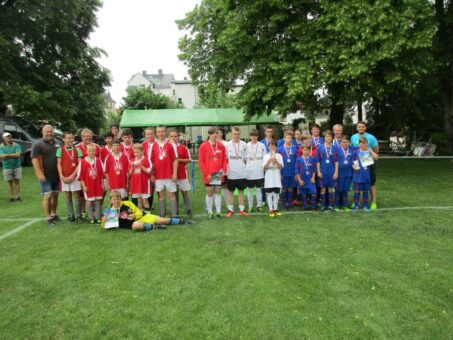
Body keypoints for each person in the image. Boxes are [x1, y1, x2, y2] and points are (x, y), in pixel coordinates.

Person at [101, 191, 194, 231]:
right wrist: (104, 219)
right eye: (114, 199)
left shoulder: (127, 203)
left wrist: (134, 216)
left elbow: (139, 212)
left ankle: (183, 221)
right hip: (134, 224)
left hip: (143, 217)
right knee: (136, 226)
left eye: (118, 199)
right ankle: (155, 227)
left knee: (163, 220)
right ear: (110, 200)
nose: (117, 201)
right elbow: (106, 226)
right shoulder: (110, 211)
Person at [31, 125, 61, 225]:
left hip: (56, 175)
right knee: (47, 196)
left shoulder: (58, 143)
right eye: (47, 132)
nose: (49, 134)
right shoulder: (37, 144)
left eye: (51, 132)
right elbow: (34, 159)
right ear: (42, 132)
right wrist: (39, 173)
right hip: (45, 175)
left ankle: (53, 214)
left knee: (55, 195)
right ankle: (48, 217)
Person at [198, 127, 227, 219]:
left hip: (218, 173)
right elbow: (201, 161)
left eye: (217, 133)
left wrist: (224, 171)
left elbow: (224, 160)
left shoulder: (221, 146)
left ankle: (218, 211)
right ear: (209, 134)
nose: (216, 135)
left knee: (218, 192)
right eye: (214, 133)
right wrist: (207, 174)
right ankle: (210, 212)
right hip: (209, 174)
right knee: (210, 192)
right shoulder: (203, 145)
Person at [150, 125, 178, 217]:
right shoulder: (153, 145)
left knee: (172, 195)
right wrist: (152, 175)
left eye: (162, 131)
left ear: (165, 132)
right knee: (161, 197)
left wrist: (174, 173)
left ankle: (174, 216)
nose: (160, 133)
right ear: (156, 133)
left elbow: (175, 160)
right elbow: (151, 162)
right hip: (158, 176)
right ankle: (162, 216)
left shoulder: (171, 144)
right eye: (158, 132)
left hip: (169, 175)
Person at [351, 121, 379, 210]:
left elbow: (376, 151)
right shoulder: (353, 137)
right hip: (358, 164)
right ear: (357, 127)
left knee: (371, 183)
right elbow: (352, 152)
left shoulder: (371, 137)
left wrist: (369, 150)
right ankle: (356, 203)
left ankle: (373, 203)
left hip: (368, 164)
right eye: (359, 127)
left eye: (362, 127)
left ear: (365, 128)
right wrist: (355, 164)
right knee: (357, 185)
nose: (361, 128)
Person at [56, 132, 83, 221]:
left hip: (74, 177)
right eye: (68, 138)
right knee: (67, 196)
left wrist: (73, 175)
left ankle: (79, 215)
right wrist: (61, 176)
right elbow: (59, 164)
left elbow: (79, 164)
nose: (71, 140)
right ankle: (70, 215)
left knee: (76, 196)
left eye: (72, 138)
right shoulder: (60, 150)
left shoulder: (77, 150)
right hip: (64, 176)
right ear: (63, 139)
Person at [225, 126, 250, 217]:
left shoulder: (244, 144)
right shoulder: (227, 145)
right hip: (231, 173)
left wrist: (243, 167)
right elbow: (225, 159)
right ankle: (230, 210)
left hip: (241, 173)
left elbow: (245, 159)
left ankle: (242, 209)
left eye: (238, 134)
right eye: (235, 134)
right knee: (230, 192)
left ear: (240, 134)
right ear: (232, 134)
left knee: (241, 191)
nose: (236, 136)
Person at [79, 144, 105, 224]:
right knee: (89, 201)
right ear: (86, 151)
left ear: (96, 151)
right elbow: (81, 176)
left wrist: (102, 184)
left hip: (97, 185)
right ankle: (91, 218)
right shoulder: (83, 162)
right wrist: (83, 186)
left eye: (93, 151)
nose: (91, 152)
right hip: (88, 185)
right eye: (90, 151)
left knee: (98, 201)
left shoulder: (98, 160)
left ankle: (98, 217)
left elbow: (101, 174)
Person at [169, 130, 192, 217]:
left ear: (178, 137)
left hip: (182, 174)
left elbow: (188, 159)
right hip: (172, 175)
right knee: (174, 194)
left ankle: (188, 209)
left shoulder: (183, 147)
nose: (174, 138)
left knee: (185, 192)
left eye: (175, 136)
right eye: (172, 136)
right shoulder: (167, 147)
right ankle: (176, 211)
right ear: (169, 137)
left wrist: (178, 160)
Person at [316, 130, 339, 212]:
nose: (328, 138)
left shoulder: (335, 148)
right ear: (324, 138)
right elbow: (318, 161)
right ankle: (322, 205)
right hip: (323, 172)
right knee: (323, 189)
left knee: (330, 189)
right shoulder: (320, 148)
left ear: (332, 138)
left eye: (330, 137)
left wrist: (336, 172)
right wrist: (318, 171)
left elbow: (336, 161)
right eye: (326, 137)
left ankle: (330, 205)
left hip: (332, 172)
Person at [245, 129, 266, 212]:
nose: (254, 137)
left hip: (259, 172)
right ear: (250, 136)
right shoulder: (246, 146)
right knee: (249, 190)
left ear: (258, 136)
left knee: (259, 189)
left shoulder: (262, 145)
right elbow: (244, 159)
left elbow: (265, 158)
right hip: (249, 172)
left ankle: (259, 205)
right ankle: (250, 206)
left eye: (255, 135)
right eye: (252, 135)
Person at [128, 143, 152, 212]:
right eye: (135, 152)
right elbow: (129, 174)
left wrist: (141, 166)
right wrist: (132, 166)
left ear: (142, 151)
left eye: (138, 152)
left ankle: (148, 216)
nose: (136, 154)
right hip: (135, 184)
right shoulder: (132, 160)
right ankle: (141, 215)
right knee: (139, 200)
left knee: (145, 200)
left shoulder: (146, 159)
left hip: (144, 184)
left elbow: (148, 171)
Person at [263, 140, 284, 217]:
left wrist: (276, 162)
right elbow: (264, 168)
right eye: (271, 146)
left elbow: (281, 167)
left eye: (274, 146)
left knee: (276, 194)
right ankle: (270, 209)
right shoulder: (265, 156)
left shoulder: (279, 156)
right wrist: (269, 161)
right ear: (268, 147)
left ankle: (275, 209)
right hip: (269, 179)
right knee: (269, 194)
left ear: (276, 147)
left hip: (276, 178)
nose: (272, 147)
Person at [277, 132, 297, 209]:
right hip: (283, 172)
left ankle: (290, 201)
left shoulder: (294, 149)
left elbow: (296, 161)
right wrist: (280, 173)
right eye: (287, 138)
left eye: (290, 138)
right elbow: (278, 162)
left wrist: (296, 173)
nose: (289, 140)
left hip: (292, 172)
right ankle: (284, 201)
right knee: (284, 187)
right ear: (284, 139)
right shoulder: (279, 149)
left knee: (290, 187)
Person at [0, 132, 22, 202]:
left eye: (10, 136)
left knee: (17, 181)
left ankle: (18, 196)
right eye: (7, 137)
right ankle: (11, 197)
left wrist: (7, 155)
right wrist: (13, 155)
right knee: (9, 183)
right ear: (4, 138)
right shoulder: (1, 146)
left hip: (17, 166)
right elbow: (2, 156)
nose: (9, 138)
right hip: (7, 167)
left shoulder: (16, 145)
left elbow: (18, 155)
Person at [295, 145, 317, 210]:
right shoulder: (299, 159)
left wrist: (313, 178)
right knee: (303, 193)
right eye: (304, 150)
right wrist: (299, 180)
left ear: (310, 151)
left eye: (307, 150)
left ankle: (313, 206)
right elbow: (296, 171)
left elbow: (314, 169)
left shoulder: (312, 158)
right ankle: (305, 206)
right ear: (302, 150)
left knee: (313, 192)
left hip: (310, 179)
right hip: (302, 179)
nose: (306, 151)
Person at [335, 135, 353, 210]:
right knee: (338, 189)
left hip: (348, 174)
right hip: (339, 174)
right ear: (341, 143)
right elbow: (336, 161)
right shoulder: (337, 150)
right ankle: (336, 205)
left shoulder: (352, 150)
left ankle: (345, 205)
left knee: (345, 190)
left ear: (349, 143)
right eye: (343, 142)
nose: (345, 143)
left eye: (347, 142)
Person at [142, 127, 156, 209]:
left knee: (155, 189)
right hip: (145, 170)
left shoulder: (157, 143)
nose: (150, 136)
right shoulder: (143, 145)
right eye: (148, 134)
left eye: (151, 134)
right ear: (145, 135)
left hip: (156, 170)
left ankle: (149, 206)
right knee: (147, 189)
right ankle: (147, 207)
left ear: (153, 134)